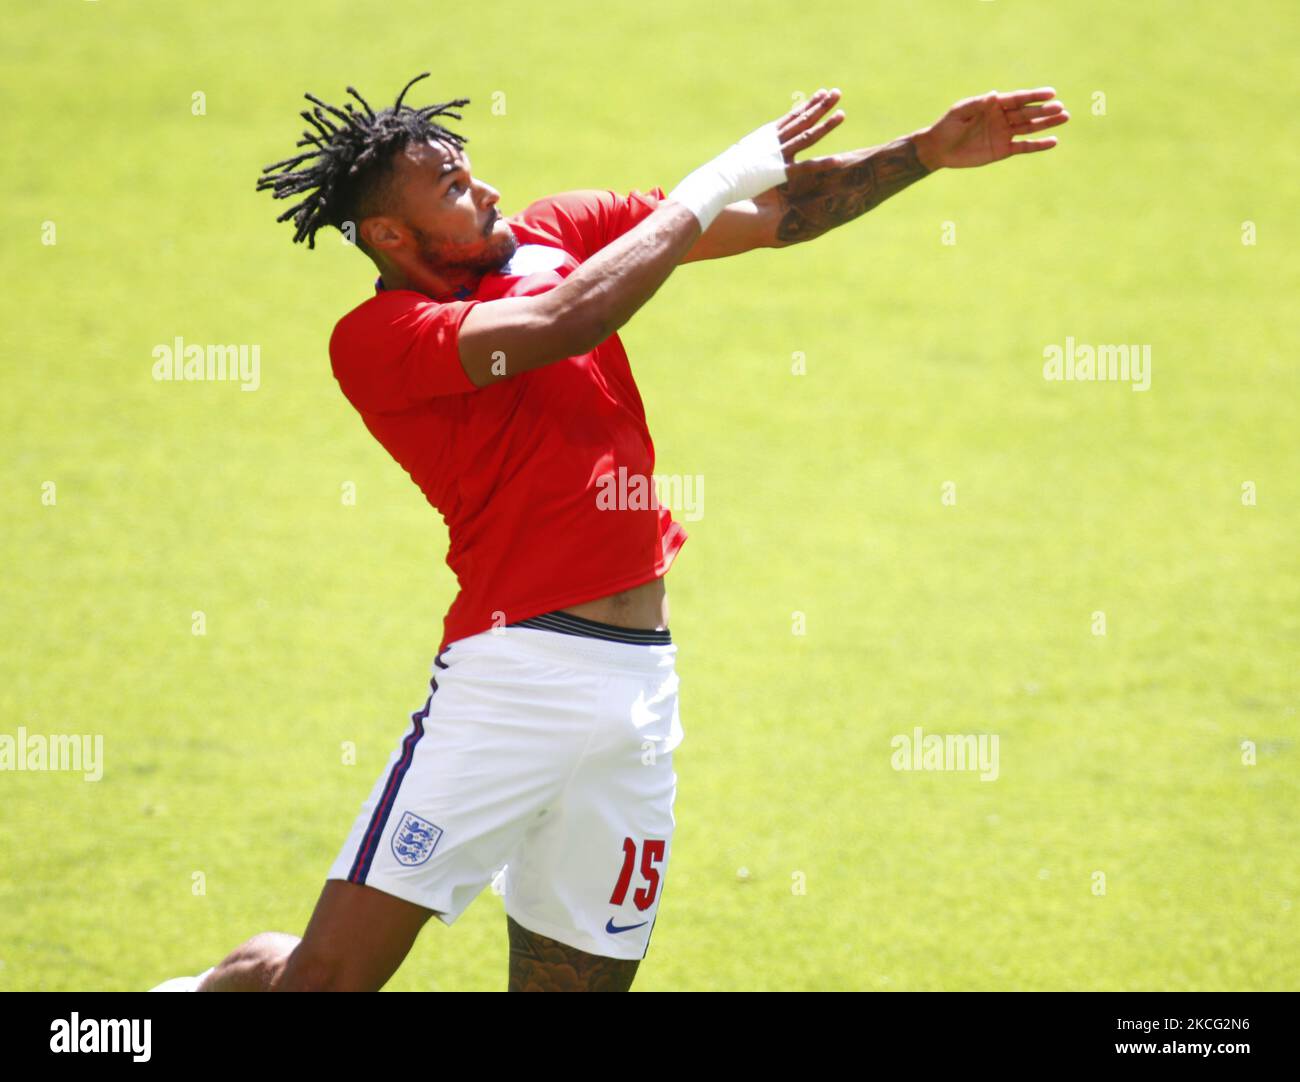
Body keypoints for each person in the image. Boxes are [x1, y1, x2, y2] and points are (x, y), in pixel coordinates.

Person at [152, 73, 1067, 992]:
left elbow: (776, 212)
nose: (490, 192)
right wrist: (702, 187)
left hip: (638, 687)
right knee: (327, 984)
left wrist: (923, 153)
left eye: (473, 173)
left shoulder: (561, 232)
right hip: (511, 681)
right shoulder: (382, 335)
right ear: (391, 237)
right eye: (456, 191)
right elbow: (567, 319)